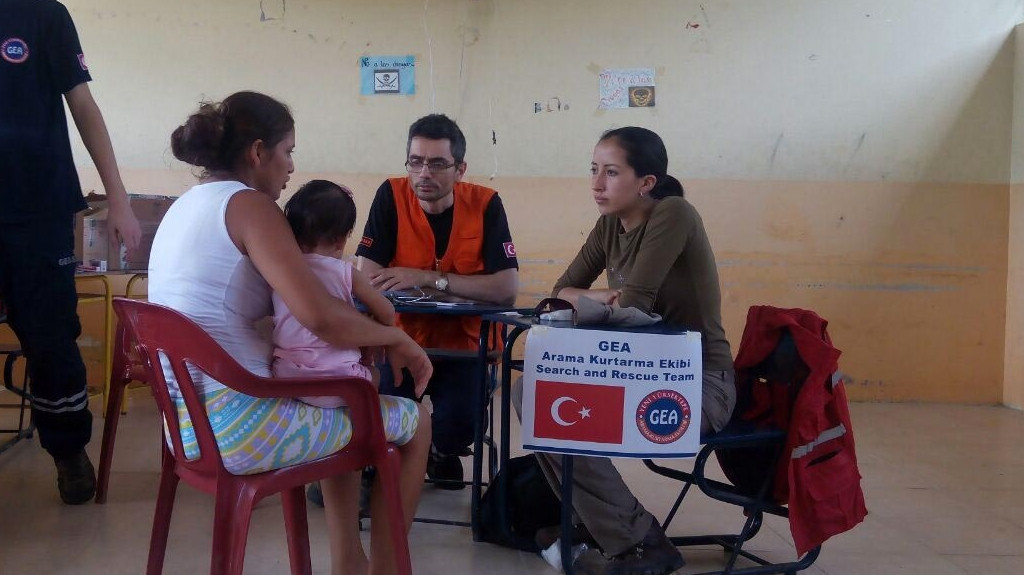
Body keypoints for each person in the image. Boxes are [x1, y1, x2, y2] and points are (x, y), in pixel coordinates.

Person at [151, 91, 431, 575]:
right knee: (417, 420)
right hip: (241, 427)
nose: (291, 167)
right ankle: (383, 570)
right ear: (258, 152)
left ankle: (349, 562)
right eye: (288, 151)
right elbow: (319, 315)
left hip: (186, 427)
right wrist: (397, 339)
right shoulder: (251, 207)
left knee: (341, 398)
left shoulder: (185, 207)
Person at [520, 127, 736, 575]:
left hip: (698, 383)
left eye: (612, 172)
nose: (597, 184)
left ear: (646, 182)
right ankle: (603, 525)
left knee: (556, 404)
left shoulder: (673, 213)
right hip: (634, 368)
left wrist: (597, 299)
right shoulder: (609, 225)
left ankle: (638, 540)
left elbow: (635, 305)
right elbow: (560, 292)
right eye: (594, 170)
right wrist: (604, 297)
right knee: (533, 391)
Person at [0, 0, 141, 505]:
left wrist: (118, 199)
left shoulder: (42, 14)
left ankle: (68, 451)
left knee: (52, 339)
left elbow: (83, 105)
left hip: (38, 210)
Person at [355, 114, 519, 488]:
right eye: (415, 161)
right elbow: (369, 279)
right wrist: (463, 288)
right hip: (399, 340)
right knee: (387, 414)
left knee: (461, 424)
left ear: (460, 169)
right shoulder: (391, 195)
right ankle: (385, 465)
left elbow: (506, 288)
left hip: (466, 345)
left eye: (437, 163)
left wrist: (427, 279)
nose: (424, 173)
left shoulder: (486, 204)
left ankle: (439, 451)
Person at [271, 179, 395, 408]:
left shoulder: (282, 270)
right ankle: (360, 421)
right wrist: (373, 326)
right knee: (376, 375)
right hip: (342, 382)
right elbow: (387, 312)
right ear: (341, 239)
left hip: (288, 378)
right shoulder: (346, 271)